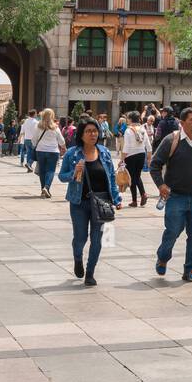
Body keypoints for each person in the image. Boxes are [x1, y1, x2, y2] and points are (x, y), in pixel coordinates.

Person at [58, 117, 122, 286]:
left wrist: (116, 198)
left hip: (102, 202)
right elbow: (61, 176)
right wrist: (74, 172)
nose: (93, 134)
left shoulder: (104, 152)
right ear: (82, 134)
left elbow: (112, 177)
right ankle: (77, 258)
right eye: (88, 131)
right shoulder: (72, 153)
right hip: (79, 203)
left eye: (95, 131)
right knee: (80, 238)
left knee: (97, 238)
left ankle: (90, 273)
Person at [150, 107, 192, 281]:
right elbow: (155, 164)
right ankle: (163, 257)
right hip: (176, 196)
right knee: (173, 231)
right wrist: (160, 185)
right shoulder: (171, 140)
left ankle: (190, 270)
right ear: (182, 123)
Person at [32, 108, 66, 197]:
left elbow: (33, 140)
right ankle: (46, 187)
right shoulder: (55, 127)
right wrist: (64, 148)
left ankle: (43, 188)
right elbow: (61, 141)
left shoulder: (38, 126)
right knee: (50, 170)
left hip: (40, 151)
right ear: (52, 116)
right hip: (53, 151)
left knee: (42, 171)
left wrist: (36, 145)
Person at [121, 111, 151, 208]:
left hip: (131, 156)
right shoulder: (142, 129)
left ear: (130, 119)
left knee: (132, 177)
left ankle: (135, 200)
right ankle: (143, 194)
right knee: (137, 176)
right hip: (141, 154)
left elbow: (126, 147)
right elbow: (148, 145)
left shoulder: (128, 130)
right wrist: (149, 158)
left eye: (127, 118)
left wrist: (122, 159)